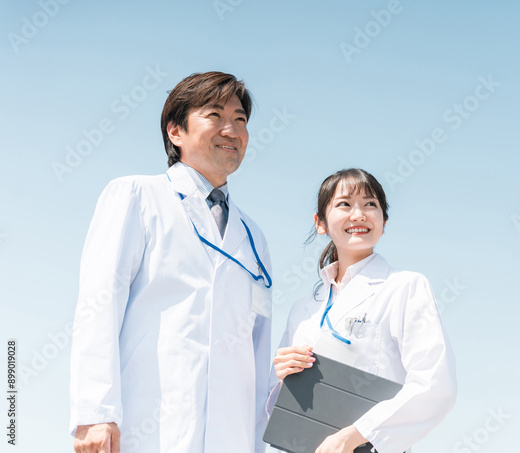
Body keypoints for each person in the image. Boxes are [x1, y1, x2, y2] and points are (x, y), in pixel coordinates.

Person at [69, 71, 274, 453]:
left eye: (241, 119)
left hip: (231, 437)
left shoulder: (254, 237)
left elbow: (257, 347)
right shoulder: (136, 195)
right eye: (214, 115)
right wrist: (94, 411)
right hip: (149, 426)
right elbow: (99, 303)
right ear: (175, 131)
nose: (231, 129)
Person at [270, 168, 457, 453]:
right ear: (320, 223)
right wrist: (282, 376)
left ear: (384, 220)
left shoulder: (405, 287)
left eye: (371, 204)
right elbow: (275, 408)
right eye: (344, 204)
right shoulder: (303, 309)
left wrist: (355, 435)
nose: (359, 215)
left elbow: (435, 385)